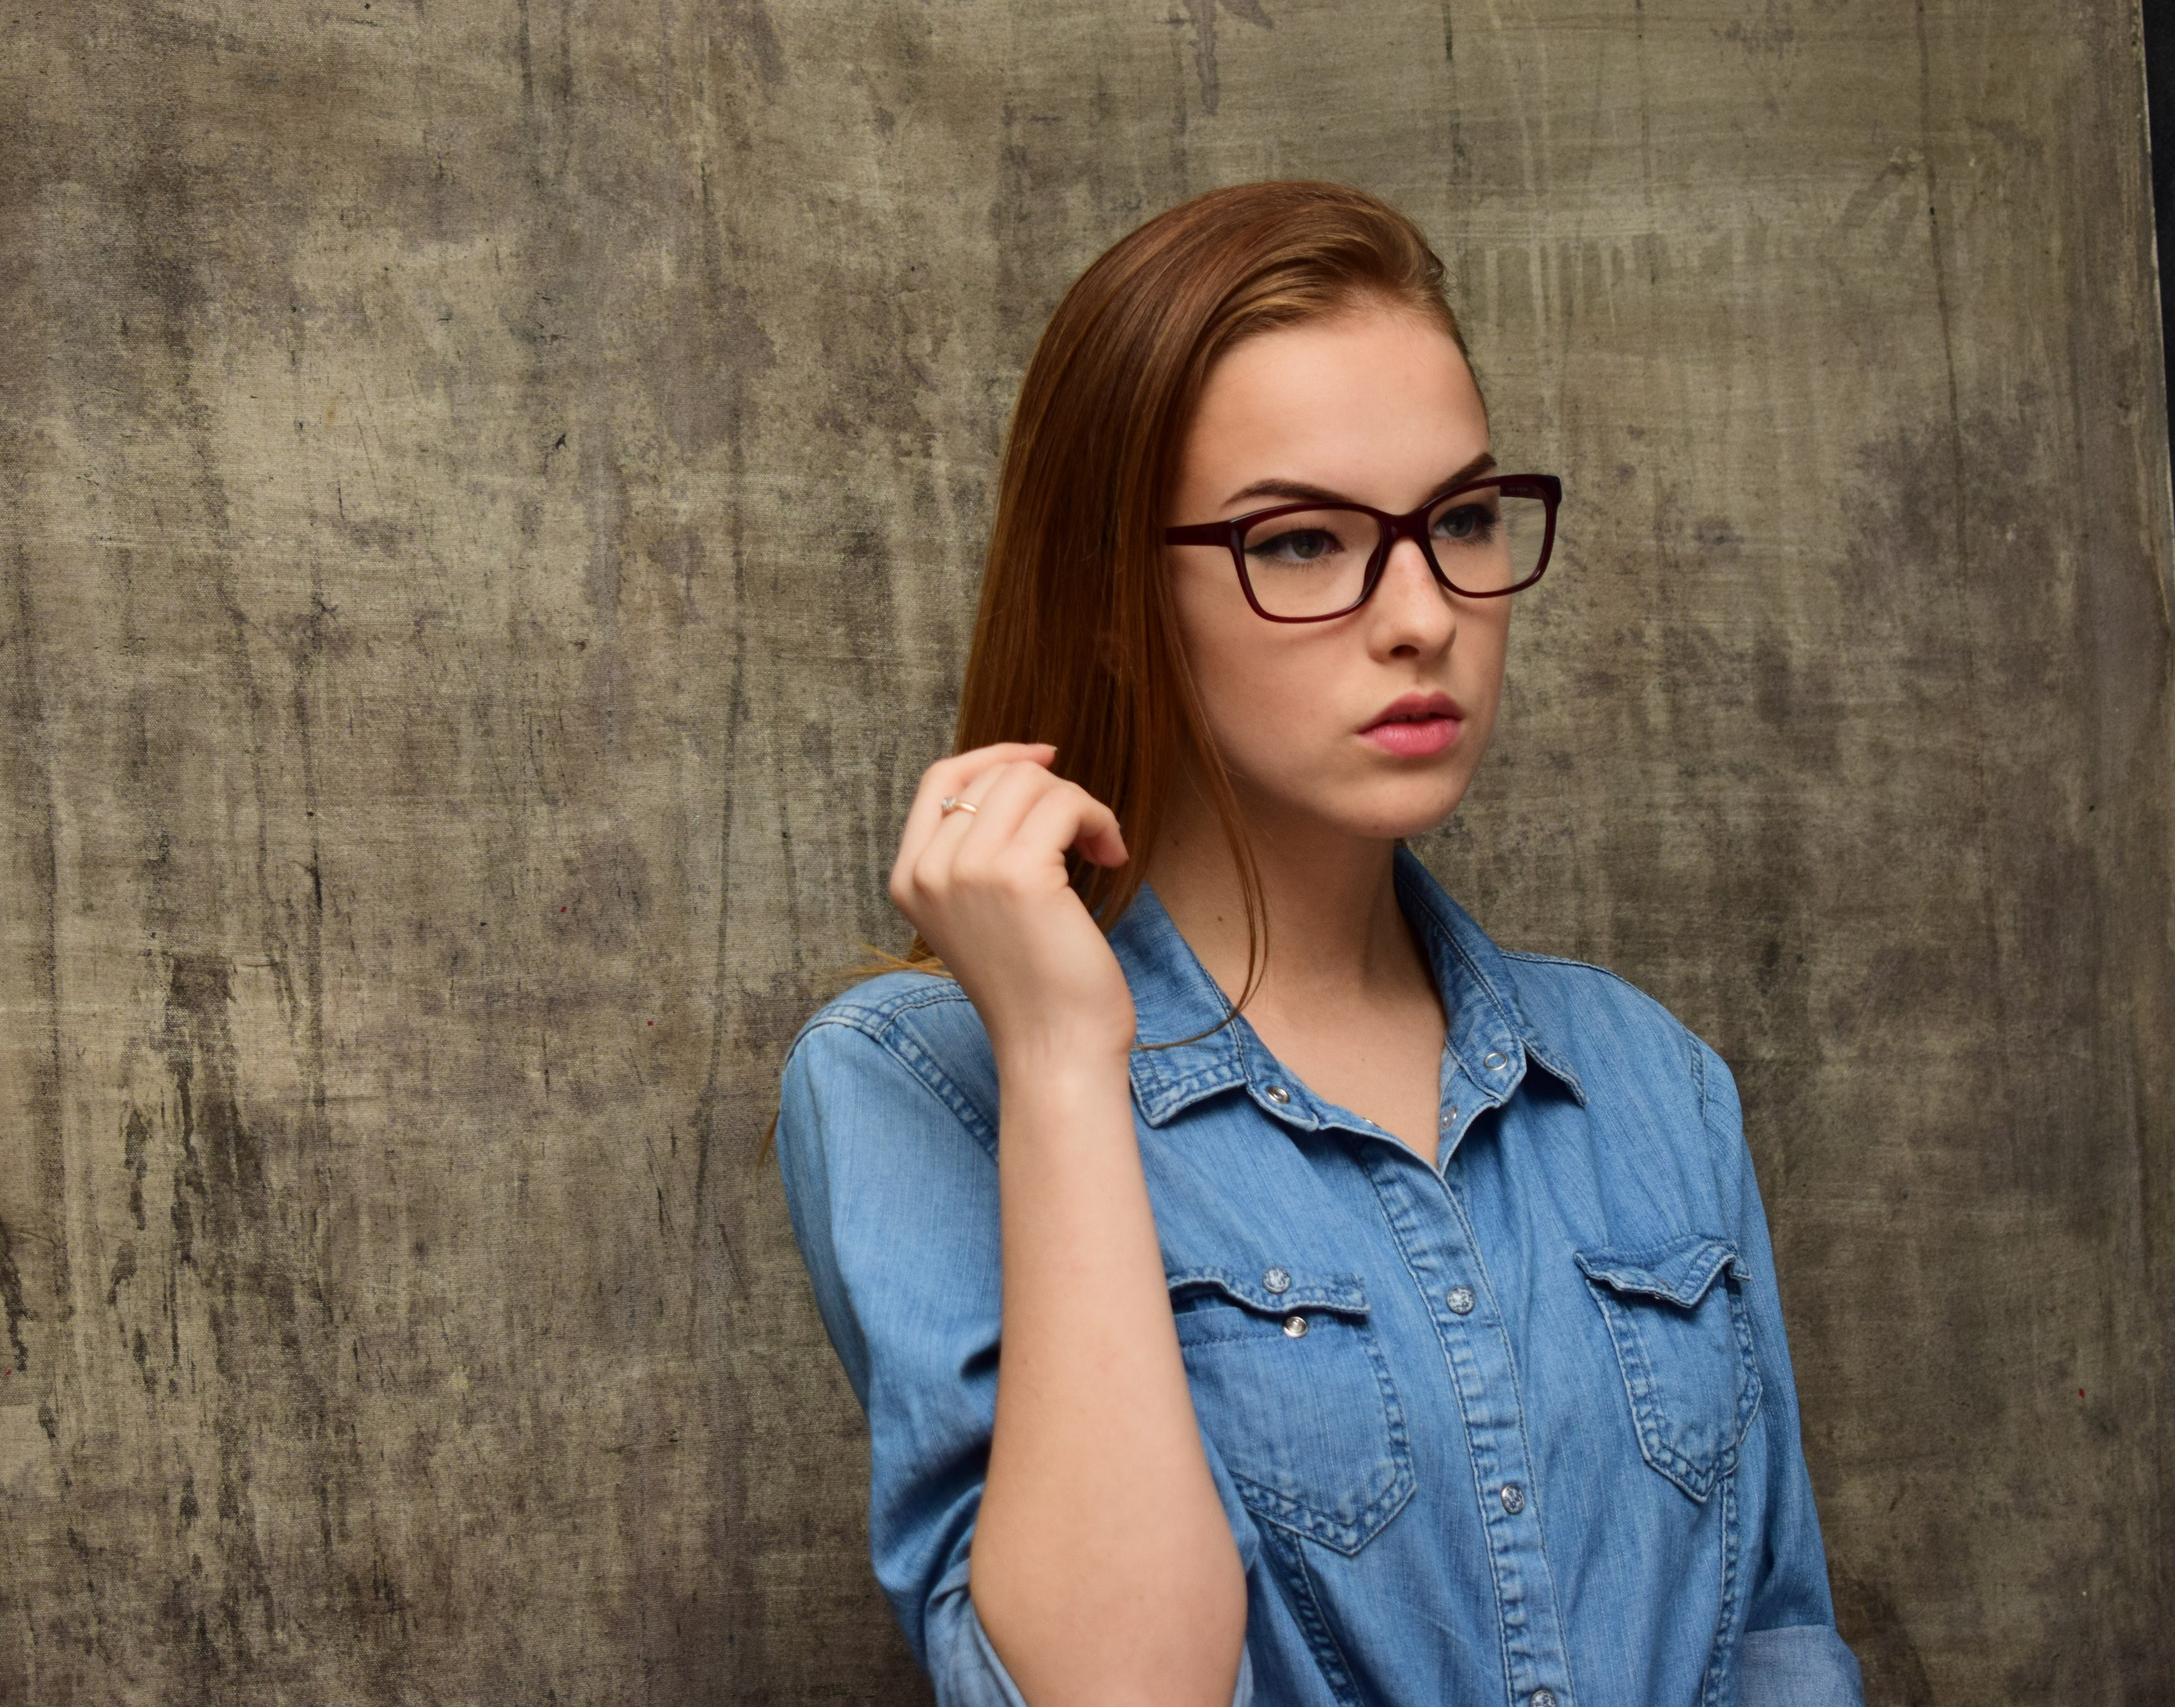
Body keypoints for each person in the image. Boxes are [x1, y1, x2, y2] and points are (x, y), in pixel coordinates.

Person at [772, 181, 1864, 1707]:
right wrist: (1065, 1062)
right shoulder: (920, 1086)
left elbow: (1779, 1646)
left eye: (1461, 520)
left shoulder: (1648, 1081)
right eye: (1299, 541)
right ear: (1112, 600)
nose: (1423, 614)